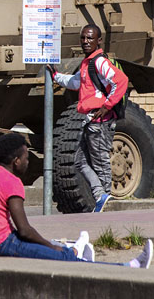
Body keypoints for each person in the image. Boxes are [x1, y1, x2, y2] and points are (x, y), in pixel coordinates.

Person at [0, 132, 152, 267]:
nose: (28, 161)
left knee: (56, 250)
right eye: (25, 158)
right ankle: (129, 267)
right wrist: (49, 247)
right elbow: (24, 230)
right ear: (16, 161)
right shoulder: (11, 182)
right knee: (64, 259)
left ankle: (73, 250)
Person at [47, 24, 128, 213]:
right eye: (83, 38)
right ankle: (100, 196)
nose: (85, 41)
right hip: (90, 121)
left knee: (100, 164)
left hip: (100, 124)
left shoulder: (99, 62)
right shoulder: (87, 63)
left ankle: (106, 204)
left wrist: (107, 105)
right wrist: (56, 76)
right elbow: (76, 82)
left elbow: (121, 81)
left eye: (90, 38)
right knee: (78, 161)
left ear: (98, 41)